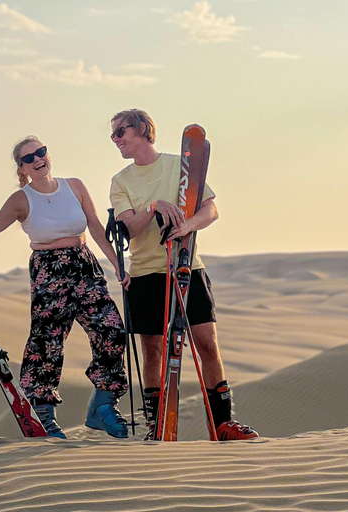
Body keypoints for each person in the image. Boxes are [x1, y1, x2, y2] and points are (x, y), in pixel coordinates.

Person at [0, 136, 130, 439]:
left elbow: (96, 226)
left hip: (85, 265)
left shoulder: (74, 186)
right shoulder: (21, 199)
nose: (38, 159)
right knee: (47, 342)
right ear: (22, 167)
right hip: (49, 270)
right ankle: (44, 416)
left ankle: (103, 405)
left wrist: (117, 264)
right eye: (29, 158)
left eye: (41, 152)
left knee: (112, 330)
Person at [108, 109, 258, 441]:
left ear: (144, 130)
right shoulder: (121, 181)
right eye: (113, 135)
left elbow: (211, 209)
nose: (115, 139)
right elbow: (129, 229)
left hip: (188, 266)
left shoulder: (181, 165)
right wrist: (153, 207)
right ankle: (157, 424)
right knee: (153, 350)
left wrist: (186, 226)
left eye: (121, 132)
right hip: (146, 271)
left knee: (207, 344)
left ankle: (222, 424)